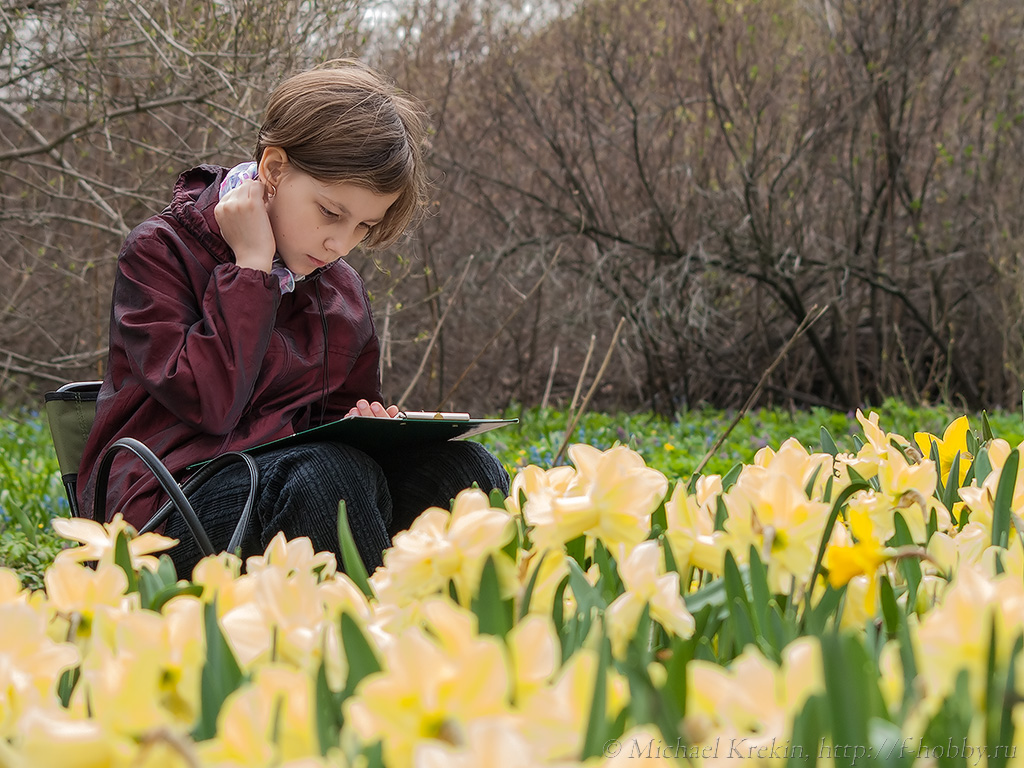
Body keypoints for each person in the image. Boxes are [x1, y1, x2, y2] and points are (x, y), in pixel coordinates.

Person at [76, 59, 509, 577]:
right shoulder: (160, 251)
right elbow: (210, 404)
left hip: (298, 483)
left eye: (363, 225)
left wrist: (364, 426)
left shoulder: (340, 288)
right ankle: (365, 644)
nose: (340, 243)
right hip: (167, 504)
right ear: (275, 170)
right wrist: (252, 270)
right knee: (326, 475)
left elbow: (334, 424)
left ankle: (468, 643)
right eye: (330, 212)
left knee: (467, 472)